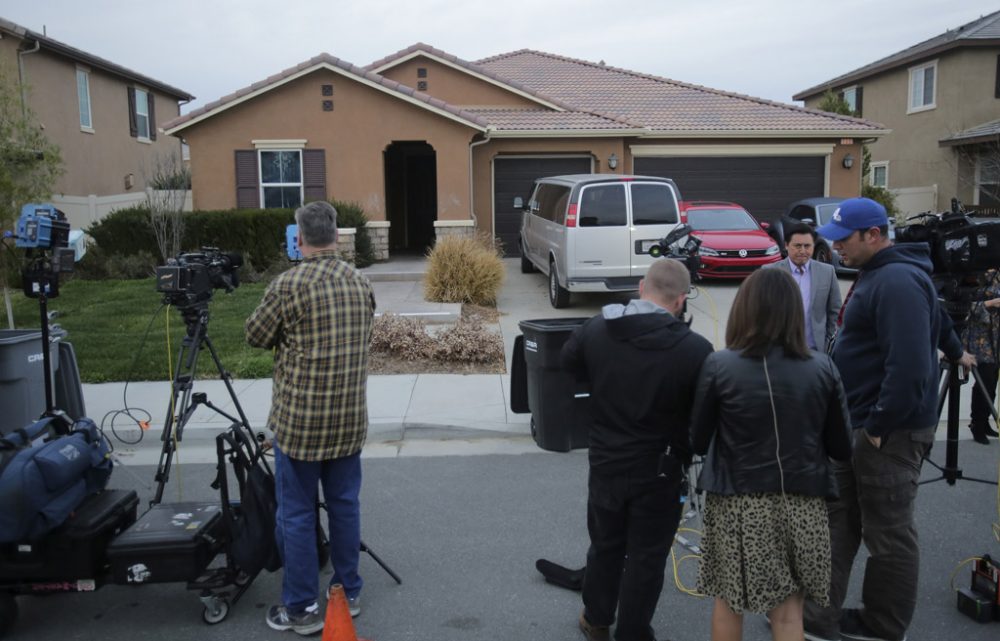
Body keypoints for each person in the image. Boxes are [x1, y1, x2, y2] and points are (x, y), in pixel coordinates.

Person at [803, 197, 974, 641]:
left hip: (885, 432)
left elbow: (912, 369)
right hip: (858, 423)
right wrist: (957, 351)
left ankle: (882, 625)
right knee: (839, 521)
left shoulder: (896, 280)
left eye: (844, 240)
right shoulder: (884, 273)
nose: (836, 247)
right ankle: (816, 618)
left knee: (888, 534)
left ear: (874, 235)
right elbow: (938, 320)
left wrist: (879, 428)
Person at [690, 268, 852, 641]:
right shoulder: (822, 367)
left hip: (737, 500)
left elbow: (697, 441)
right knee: (788, 612)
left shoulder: (720, 365)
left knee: (729, 603)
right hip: (802, 502)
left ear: (744, 309)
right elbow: (842, 447)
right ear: (795, 311)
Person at [561, 258, 713, 641]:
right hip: (661, 469)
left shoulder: (596, 331)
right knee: (647, 557)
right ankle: (632, 631)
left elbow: (567, 363)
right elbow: (702, 420)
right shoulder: (696, 350)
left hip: (608, 460)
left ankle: (596, 620)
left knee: (606, 544)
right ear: (680, 301)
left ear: (642, 288)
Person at [246, 201, 375, 635]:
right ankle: (347, 590)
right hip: (348, 420)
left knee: (297, 514)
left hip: (300, 425)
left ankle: (300, 608)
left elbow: (255, 335)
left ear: (298, 239)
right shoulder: (360, 283)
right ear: (336, 236)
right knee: (343, 506)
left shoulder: (287, 285)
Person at [764, 223, 842, 352]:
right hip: (779, 351)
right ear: (786, 245)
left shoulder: (827, 272)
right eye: (797, 246)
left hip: (816, 351)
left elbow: (835, 312)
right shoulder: (769, 272)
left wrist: (828, 342)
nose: (803, 251)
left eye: (807, 246)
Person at [962, 269, 1000, 444]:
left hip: (995, 337)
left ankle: (984, 422)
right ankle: (976, 424)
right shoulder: (977, 273)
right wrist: (991, 303)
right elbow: (964, 306)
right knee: (984, 381)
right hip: (978, 339)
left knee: (992, 381)